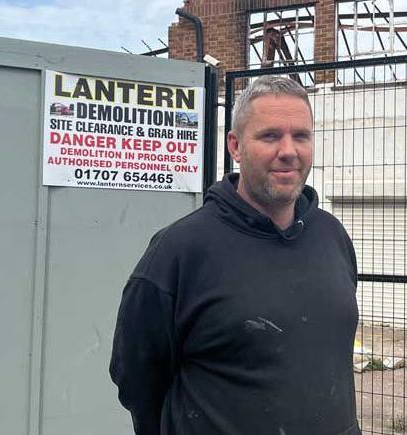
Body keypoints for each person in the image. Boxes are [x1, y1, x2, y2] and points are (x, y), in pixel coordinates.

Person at [109, 75, 360, 435]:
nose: (288, 150)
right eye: (270, 135)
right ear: (236, 146)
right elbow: (136, 378)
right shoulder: (180, 251)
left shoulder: (331, 236)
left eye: (301, 136)